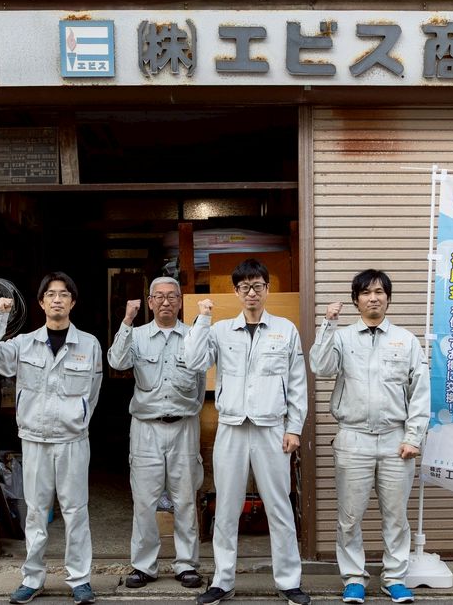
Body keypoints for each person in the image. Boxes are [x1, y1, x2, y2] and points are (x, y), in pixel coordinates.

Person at [184, 258, 310, 605]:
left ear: (267, 289)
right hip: (232, 428)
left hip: (272, 429)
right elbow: (193, 361)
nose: (251, 293)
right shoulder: (221, 330)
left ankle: (289, 582)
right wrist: (203, 319)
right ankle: (222, 581)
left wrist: (294, 428)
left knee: (279, 506)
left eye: (257, 286)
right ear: (236, 292)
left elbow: (297, 384)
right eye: (244, 287)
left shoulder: (285, 330)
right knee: (226, 507)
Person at [0, 272, 103, 605]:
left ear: (73, 302)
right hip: (34, 439)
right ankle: (32, 579)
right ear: (41, 303)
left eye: (64, 294)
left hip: (73, 441)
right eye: (51, 294)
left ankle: (80, 580)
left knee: (76, 511)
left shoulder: (89, 344)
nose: (57, 299)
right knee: (35, 512)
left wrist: (79, 419)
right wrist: (0, 316)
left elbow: (93, 392)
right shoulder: (23, 344)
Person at [309, 269, 430, 605]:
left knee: (396, 516)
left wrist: (413, 437)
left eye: (379, 292)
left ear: (388, 298)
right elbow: (320, 367)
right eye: (365, 293)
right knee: (349, 517)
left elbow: (420, 392)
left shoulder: (406, 340)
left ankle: (394, 578)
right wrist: (328, 324)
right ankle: (353, 578)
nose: (373, 298)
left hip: (395, 440)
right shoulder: (343, 337)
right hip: (353, 438)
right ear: (355, 300)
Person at [107, 276, 207, 590]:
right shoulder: (136, 336)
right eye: (159, 296)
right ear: (150, 302)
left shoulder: (193, 335)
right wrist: (127, 320)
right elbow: (116, 361)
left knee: (185, 499)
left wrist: (188, 410)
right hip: (146, 428)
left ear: (180, 301)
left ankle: (186, 564)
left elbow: (201, 381)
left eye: (172, 296)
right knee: (144, 501)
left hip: (184, 427)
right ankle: (144, 566)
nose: (166, 302)